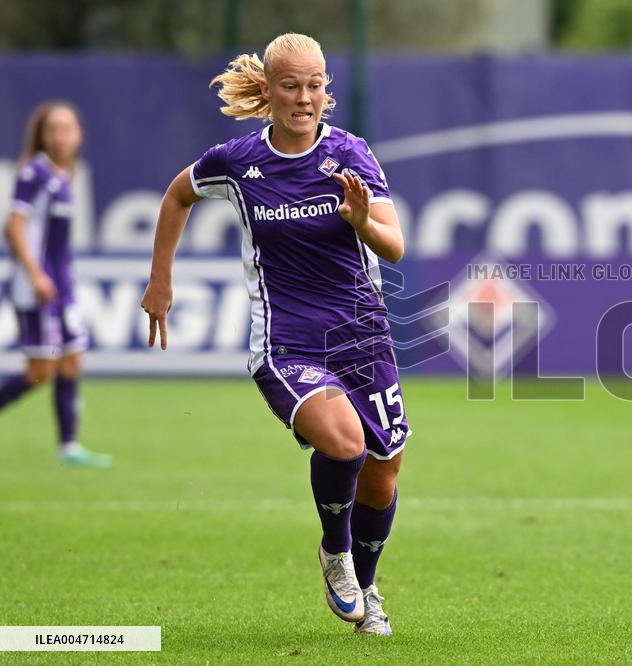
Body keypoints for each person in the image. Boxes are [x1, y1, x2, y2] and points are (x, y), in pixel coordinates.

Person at [141, 33, 409, 636]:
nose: (305, 97)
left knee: (384, 471)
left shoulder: (351, 154)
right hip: (286, 344)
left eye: (315, 85)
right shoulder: (238, 162)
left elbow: (395, 248)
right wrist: (160, 279)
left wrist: (363, 221)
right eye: (291, 85)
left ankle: (368, 590)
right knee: (344, 444)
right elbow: (178, 195)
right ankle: (334, 555)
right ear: (268, 90)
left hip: (363, 341)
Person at [0, 101, 111, 468]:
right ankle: (68, 444)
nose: (61, 136)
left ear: (79, 135)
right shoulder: (35, 173)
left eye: (68, 129)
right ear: (42, 136)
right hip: (37, 287)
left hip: (62, 287)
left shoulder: (64, 177)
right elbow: (13, 226)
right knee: (39, 372)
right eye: (54, 129)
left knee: (70, 361)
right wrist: (34, 273)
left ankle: (69, 446)